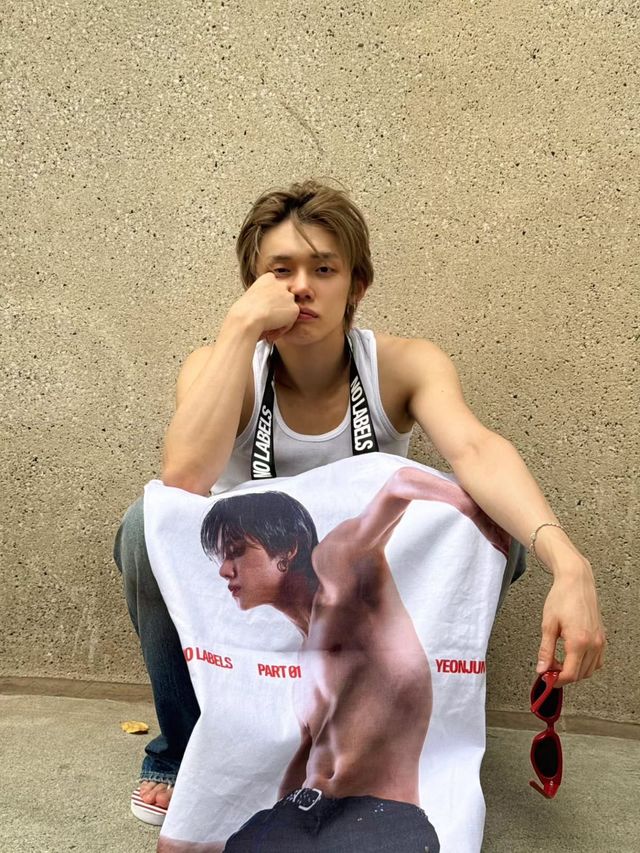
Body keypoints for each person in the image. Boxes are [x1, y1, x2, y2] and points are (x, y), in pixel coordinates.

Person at [114, 178, 605, 825]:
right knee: (145, 526)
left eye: (324, 269)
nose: (302, 287)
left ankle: (422, 737)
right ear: (253, 283)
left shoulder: (402, 364)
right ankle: (182, 747)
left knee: (491, 529)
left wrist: (569, 562)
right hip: (251, 592)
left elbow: (477, 449)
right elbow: (183, 478)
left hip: (354, 585)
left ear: (357, 285)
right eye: (280, 270)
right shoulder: (219, 364)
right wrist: (239, 327)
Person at [198, 469, 508, 852]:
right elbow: (308, 750)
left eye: (235, 551)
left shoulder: (336, 570)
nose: (224, 569)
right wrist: (277, 822)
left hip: (380, 817)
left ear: (287, 549)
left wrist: (478, 517)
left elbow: (400, 483)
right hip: (303, 815)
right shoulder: (306, 652)